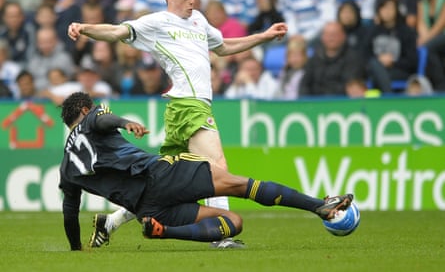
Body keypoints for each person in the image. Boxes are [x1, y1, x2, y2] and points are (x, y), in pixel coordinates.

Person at [67, 0, 288, 249]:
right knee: (217, 166)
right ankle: (222, 237)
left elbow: (223, 47)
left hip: (185, 109)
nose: (192, 1)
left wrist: (263, 37)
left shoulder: (199, 21)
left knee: (161, 188)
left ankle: (109, 222)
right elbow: (116, 31)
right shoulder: (157, 22)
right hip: (188, 105)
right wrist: (84, 27)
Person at [59, 91, 354, 251]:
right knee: (241, 186)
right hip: (160, 175)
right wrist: (125, 123)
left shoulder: (66, 169)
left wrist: (76, 249)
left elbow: (70, 212)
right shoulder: (93, 116)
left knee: (233, 221)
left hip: (147, 208)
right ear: (84, 110)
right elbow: (103, 122)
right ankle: (320, 207)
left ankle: (165, 232)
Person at [299, 21, 365, 96]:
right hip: (315, 103)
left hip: (341, 103)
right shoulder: (314, 59)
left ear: (343, 36)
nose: (331, 38)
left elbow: (351, 86)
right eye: (328, 35)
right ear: (322, 37)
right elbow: (304, 85)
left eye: (334, 34)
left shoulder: (353, 58)